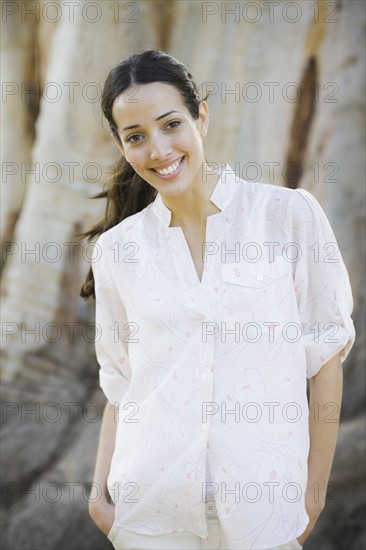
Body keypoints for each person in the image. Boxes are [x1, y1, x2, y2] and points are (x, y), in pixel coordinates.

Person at [79, 50, 356, 550]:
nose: (159, 149)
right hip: (150, 515)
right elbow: (121, 385)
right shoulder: (118, 251)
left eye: (171, 124)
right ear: (121, 146)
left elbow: (326, 359)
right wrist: (100, 498)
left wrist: (311, 498)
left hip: (266, 514)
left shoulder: (287, 216)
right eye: (136, 136)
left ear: (201, 116)